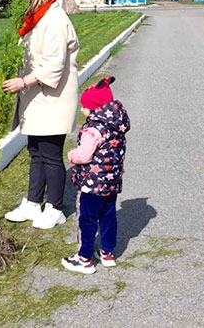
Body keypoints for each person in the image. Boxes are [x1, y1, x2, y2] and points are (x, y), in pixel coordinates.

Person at [3, 0, 80, 229]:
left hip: (53, 98)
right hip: (37, 99)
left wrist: (22, 82)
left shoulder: (55, 20)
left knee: (50, 154)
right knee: (35, 152)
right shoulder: (37, 20)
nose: (22, 3)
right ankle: (34, 203)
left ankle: (55, 207)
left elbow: (54, 66)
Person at [62, 77, 130, 274]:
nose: (82, 110)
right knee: (108, 216)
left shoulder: (93, 129)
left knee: (87, 219)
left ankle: (84, 258)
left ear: (94, 108)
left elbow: (84, 155)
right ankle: (107, 252)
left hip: (92, 184)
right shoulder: (116, 126)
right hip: (112, 181)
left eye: (84, 107)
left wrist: (72, 155)